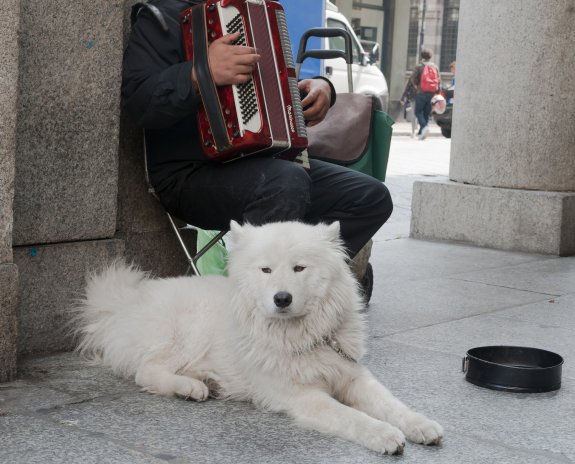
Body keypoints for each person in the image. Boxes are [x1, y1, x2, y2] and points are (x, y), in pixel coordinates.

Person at [121, 0, 393, 271]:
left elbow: (267, 90)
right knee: (287, 182)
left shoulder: (250, 14)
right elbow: (140, 104)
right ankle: (253, 302)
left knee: (370, 198)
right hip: (187, 174)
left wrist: (321, 90)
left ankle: (303, 285)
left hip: (258, 162)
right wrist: (200, 72)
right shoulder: (161, 17)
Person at [410, 48, 441, 140]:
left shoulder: (419, 66)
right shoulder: (435, 67)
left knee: (418, 111)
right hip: (432, 93)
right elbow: (439, 80)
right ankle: (421, 133)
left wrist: (416, 86)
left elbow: (413, 78)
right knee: (426, 113)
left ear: (422, 56)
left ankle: (424, 126)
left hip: (421, 92)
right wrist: (438, 92)